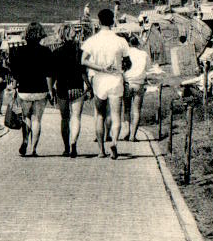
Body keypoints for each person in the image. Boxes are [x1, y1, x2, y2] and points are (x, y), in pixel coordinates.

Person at [81, 9, 130, 160]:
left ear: (99, 21)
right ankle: (114, 142)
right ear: (113, 20)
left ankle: (101, 150)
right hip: (115, 79)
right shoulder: (121, 41)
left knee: (100, 115)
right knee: (116, 115)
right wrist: (121, 69)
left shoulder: (92, 40)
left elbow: (83, 61)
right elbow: (128, 62)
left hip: (100, 79)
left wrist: (100, 68)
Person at [11, 22, 54, 157]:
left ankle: (25, 141)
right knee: (37, 120)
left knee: (26, 118)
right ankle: (33, 148)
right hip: (41, 90)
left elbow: (16, 74)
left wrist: (13, 88)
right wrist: (50, 90)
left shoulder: (18, 51)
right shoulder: (46, 51)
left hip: (24, 90)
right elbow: (49, 74)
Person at [52, 26, 89, 157]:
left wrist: (51, 89)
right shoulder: (80, 52)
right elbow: (83, 72)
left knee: (64, 118)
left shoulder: (56, 53)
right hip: (77, 88)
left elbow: (53, 74)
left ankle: (66, 147)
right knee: (76, 117)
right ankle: (73, 143)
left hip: (62, 89)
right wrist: (88, 86)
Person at [124, 35, 152, 142]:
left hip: (127, 83)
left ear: (129, 44)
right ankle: (133, 136)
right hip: (139, 84)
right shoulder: (144, 54)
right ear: (138, 43)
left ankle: (127, 131)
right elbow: (148, 68)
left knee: (126, 109)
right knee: (136, 110)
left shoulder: (126, 53)